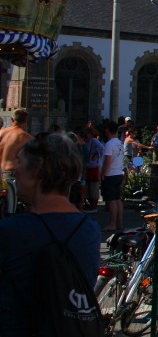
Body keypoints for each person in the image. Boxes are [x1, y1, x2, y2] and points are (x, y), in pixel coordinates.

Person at [0, 132, 101, 336]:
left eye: (20, 162)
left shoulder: (12, 231)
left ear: (37, 170)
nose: (15, 170)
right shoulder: (89, 229)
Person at [100, 120, 124, 231]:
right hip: (119, 172)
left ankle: (112, 223)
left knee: (111, 200)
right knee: (117, 198)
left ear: (107, 130)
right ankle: (119, 223)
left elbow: (107, 160)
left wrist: (102, 173)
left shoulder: (109, 144)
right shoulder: (119, 142)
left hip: (110, 173)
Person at [0, 109, 32, 183]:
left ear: (12, 119)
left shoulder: (1, 132)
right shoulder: (27, 138)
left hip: (1, 173)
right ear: (26, 121)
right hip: (13, 175)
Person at [83, 124, 105, 212]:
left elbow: (101, 148)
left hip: (93, 167)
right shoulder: (85, 141)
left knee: (93, 186)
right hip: (86, 167)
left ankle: (94, 205)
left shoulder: (94, 141)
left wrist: (95, 154)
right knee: (86, 185)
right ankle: (88, 202)